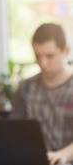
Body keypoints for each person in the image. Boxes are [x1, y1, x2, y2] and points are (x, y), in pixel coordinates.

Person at [10, 22, 73, 165]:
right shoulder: (26, 88)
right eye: (38, 56)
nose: (43, 63)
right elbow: (16, 132)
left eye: (50, 56)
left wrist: (62, 155)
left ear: (66, 51)